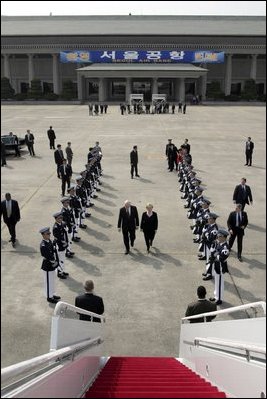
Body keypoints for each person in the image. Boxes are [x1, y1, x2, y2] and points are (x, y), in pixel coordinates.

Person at [39, 227, 61, 304]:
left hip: (51, 265)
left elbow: (53, 250)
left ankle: (52, 294)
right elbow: (48, 256)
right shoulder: (43, 245)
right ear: (43, 235)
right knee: (48, 282)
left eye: (49, 233)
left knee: (52, 281)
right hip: (48, 265)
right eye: (47, 234)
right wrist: (54, 262)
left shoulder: (49, 241)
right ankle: (49, 297)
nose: (49, 235)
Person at [208, 229, 230, 306]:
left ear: (224, 237)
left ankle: (219, 299)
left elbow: (223, 257)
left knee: (220, 283)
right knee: (217, 282)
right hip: (217, 265)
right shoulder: (219, 244)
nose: (217, 237)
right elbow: (214, 252)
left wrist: (216, 254)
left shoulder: (225, 247)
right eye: (218, 236)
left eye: (219, 236)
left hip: (221, 266)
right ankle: (216, 296)